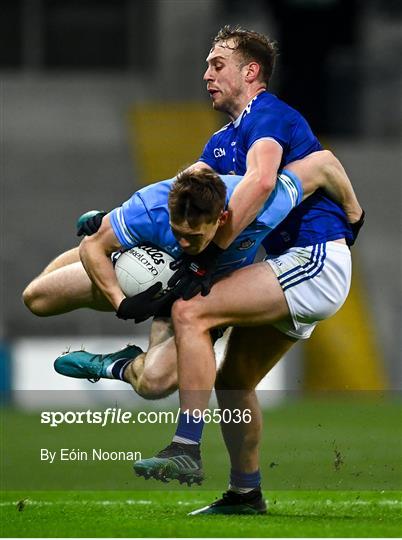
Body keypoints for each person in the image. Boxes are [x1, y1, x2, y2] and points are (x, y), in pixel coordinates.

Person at [124, 26, 364, 515]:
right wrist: (110, 223)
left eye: (218, 64)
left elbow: (260, 181)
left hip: (312, 258)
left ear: (250, 72)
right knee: (234, 381)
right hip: (290, 263)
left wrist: (207, 261)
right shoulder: (224, 139)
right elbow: (182, 192)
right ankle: (245, 492)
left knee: (191, 310)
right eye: (207, 65)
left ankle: (186, 447)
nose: (206, 74)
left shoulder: (267, 113)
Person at [23, 150, 354, 397]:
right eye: (176, 231)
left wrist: (353, 215)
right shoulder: (152, 206)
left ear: (222, 220)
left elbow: (321, 164)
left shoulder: (259, 205)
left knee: (153, 385)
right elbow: (91, 250)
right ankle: (110, 230)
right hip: (146, 273)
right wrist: (121, 300)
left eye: (193, 237)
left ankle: (116, 365)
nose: (184, 242)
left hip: (200, 295)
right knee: (36, 299)